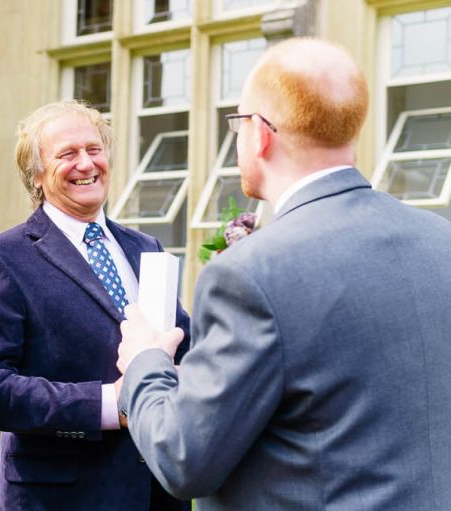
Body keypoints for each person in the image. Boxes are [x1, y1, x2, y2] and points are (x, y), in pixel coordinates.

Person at [115, 36, 451, 510]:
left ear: (259, 133)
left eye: (237, 124)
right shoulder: (441, 240)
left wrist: (144, 363)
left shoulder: (249, 275)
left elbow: (183, 457)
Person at [0, 100, 191, 510]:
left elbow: (183, 345)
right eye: (67, 154)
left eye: (94, 149)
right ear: (37, 175)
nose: (86, 163)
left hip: (158, 491)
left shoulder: (145, 248)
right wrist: (108, 404)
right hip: (61, 497)